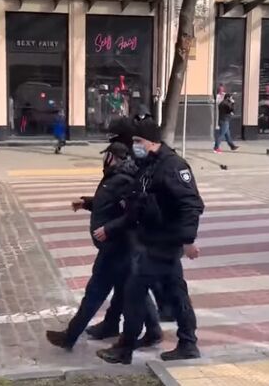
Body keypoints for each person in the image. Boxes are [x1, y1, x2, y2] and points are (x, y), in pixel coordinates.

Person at [96, 119, 204, 364]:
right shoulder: (149, 165)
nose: (135, 145)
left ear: (152, 142)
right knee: (176, 294)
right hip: (151, 241)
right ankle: (188, 343)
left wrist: (188, 240)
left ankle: (125, 349)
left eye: (138, 141)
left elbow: (191, 204)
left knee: (134, 293)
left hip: (163, 243)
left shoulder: (173, 166)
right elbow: (138, 203)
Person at [46, 142, 162, 350]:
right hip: (118, 247)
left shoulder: (124, 180)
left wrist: (109, 229)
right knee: (133, 289)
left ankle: (70, 336)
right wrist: (87, 203)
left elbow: (132, 214)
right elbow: (109, 204)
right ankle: (153, 330)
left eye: (106, 155)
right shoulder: (115, 176)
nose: (103, 159)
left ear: (113, 157)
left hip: (117, 247)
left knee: (95, 292)